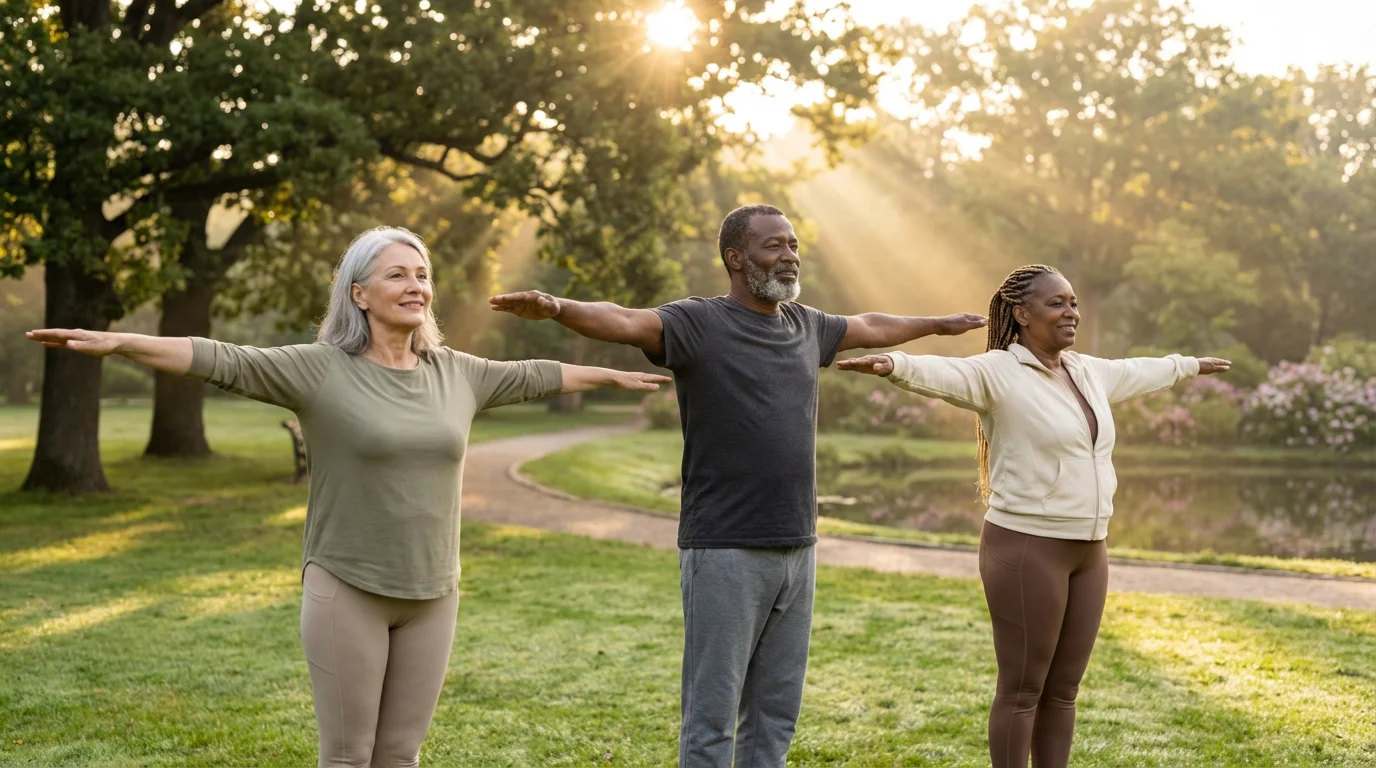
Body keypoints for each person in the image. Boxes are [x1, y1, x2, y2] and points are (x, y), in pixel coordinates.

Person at [27, 226, 669, 768]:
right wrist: (118, 342)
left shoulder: (458, 373)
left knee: (400, 756)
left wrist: (613, 370)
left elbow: (538, 376)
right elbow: (219, 357)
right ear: (359, 293)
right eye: (397, 274)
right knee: (348, 757)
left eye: (422, 274)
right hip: (348, 589)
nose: (416, 285)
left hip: (434, 592)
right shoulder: (319, 369)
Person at [489, 204, 986, 767]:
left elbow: (869, 325)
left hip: (797, 546)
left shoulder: (806, 326)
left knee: (774, 718)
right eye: (774, 245)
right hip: (723, 547)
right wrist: (557, 308)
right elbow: (624, 320)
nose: (790, 255)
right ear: (735, 257)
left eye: (793, 244)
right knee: (711, 721)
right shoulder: (699, 322)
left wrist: (937, 326)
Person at [837, 264, 1231, 768]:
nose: (1072, 313)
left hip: (1090, 550)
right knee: (1023, 689)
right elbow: (947, 373)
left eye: (1073, 302)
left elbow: (1138, 370)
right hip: (1026, 548)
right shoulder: (999, 372)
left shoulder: (1086, 371)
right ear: (1021, 314)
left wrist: (1187, 364)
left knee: (1064, 690)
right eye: (1057, 304)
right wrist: (895, 364)